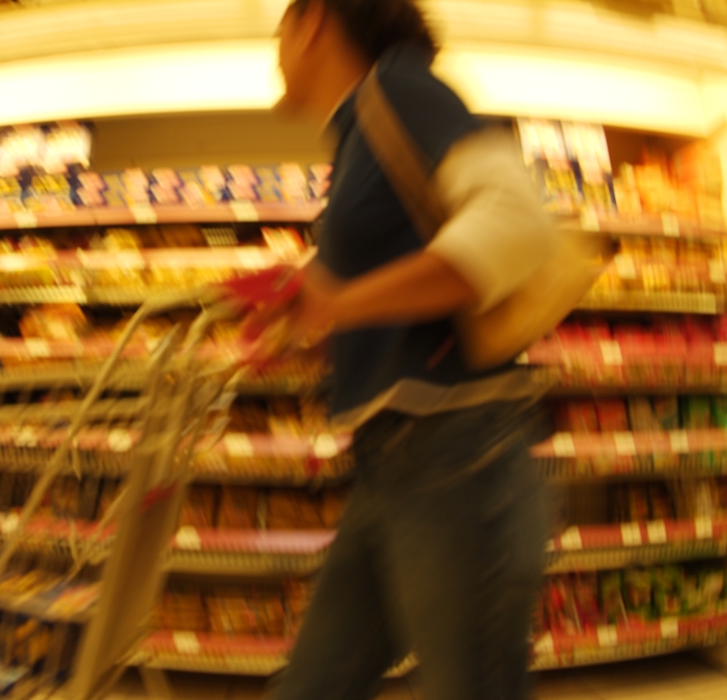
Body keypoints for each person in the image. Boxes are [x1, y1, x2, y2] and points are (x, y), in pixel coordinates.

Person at [258, 1, 554, 699]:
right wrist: (303, 317)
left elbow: (518, 227)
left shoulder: (398, 87)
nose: (274, 52)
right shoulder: (358, 132)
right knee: (313, 686)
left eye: (278, 31)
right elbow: (384, 299)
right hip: (395, 464)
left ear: (314, 22)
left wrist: (337, 303)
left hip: (457, 457)